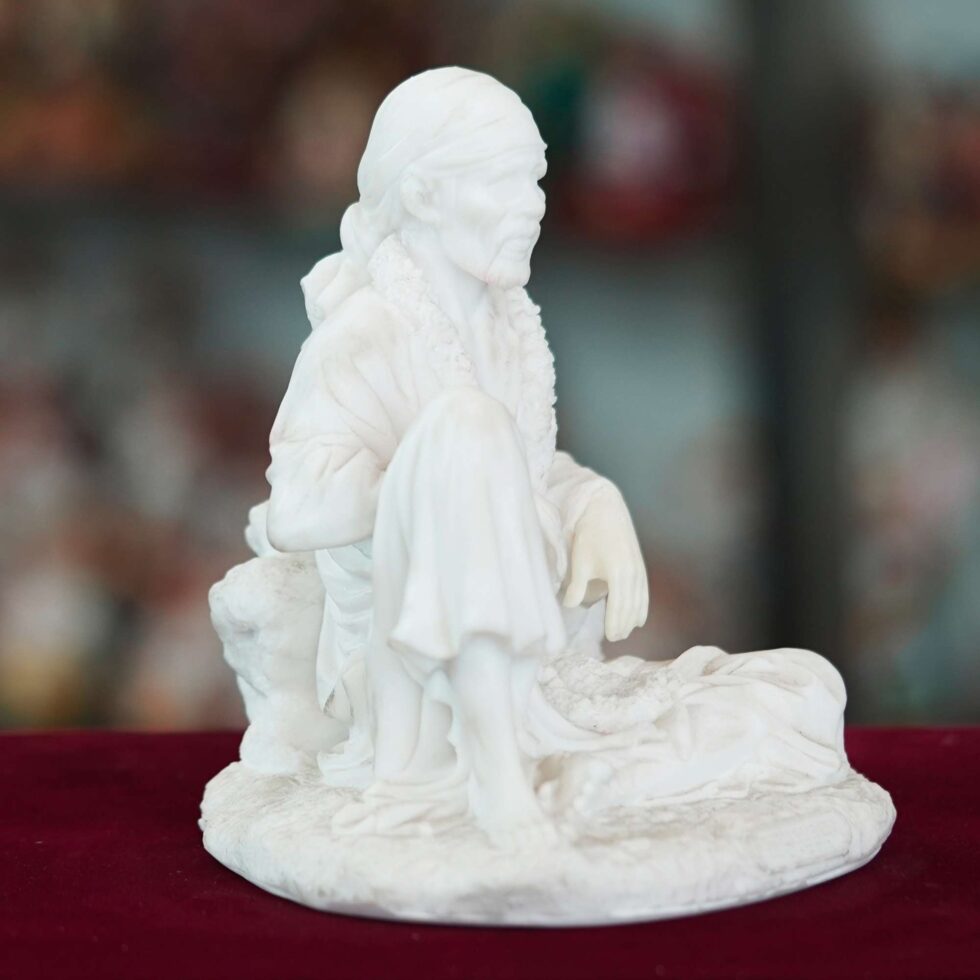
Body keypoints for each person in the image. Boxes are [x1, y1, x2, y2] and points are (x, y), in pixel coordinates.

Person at [261, 67, 648, 840]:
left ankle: (516, 733)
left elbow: (519, 470)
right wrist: (433, 485)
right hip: (401, 669)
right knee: (464, 426)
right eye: (505, 184)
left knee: (804, 693)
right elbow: (295, 508)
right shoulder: (366, 331)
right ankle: (491, 768)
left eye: (537, 182)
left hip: (536, 647)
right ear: (425, 195)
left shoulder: (509, 326)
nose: (533, 207)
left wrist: (589, 500)